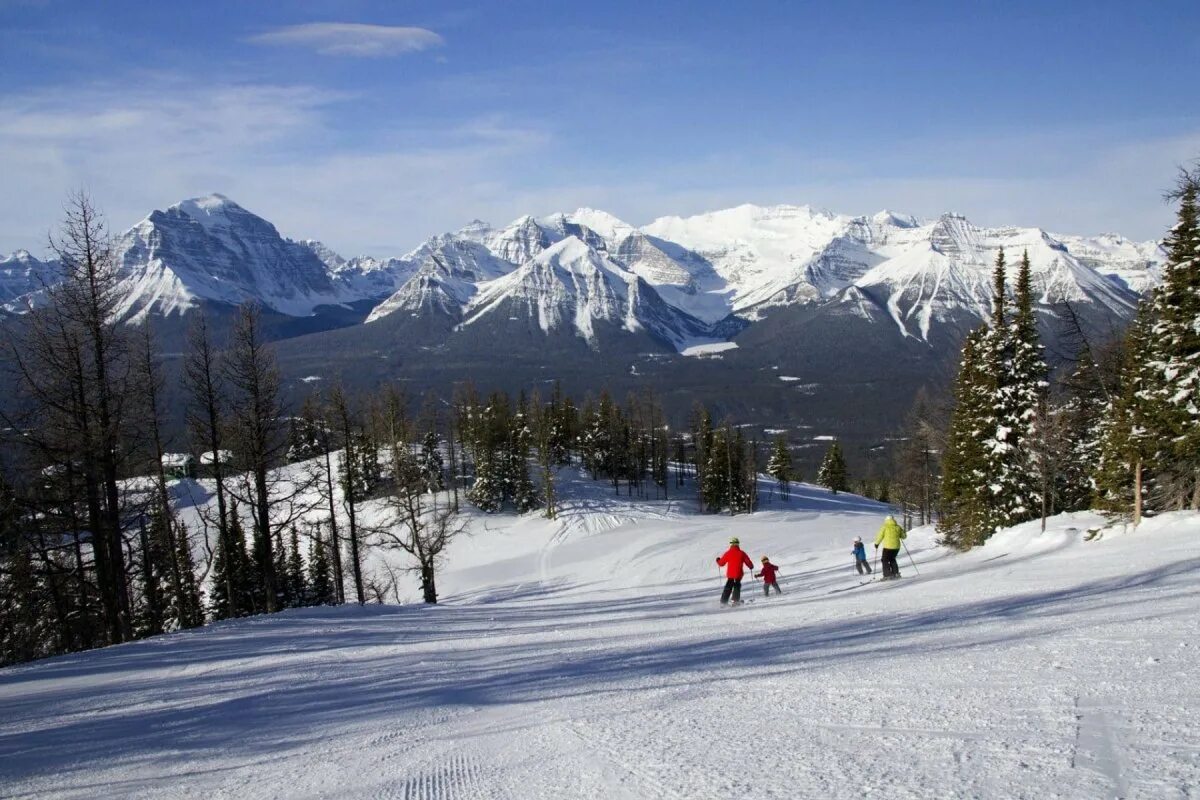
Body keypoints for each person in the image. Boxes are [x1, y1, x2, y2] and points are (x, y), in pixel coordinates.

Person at [716, 537, 754, 605]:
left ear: (730, 544)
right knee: (737, 585)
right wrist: (751, 566)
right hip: (738, 574)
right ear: (738, 544)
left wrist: (718, 560)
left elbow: (721, 563)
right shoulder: (742, 553)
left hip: (730, 574)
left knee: (728, 586)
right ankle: (735, 600)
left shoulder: (728, 553)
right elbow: (748, 562)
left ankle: (723, 601)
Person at [873, 515, 907, 580]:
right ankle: (895, 573)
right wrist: (903, 532)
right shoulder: (898, 527)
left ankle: (887, 575)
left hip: (887, 547)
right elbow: (904, 537)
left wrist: (877, 544)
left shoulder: (884, 527)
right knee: (892, 559)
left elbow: (880, 536)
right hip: (896, 547)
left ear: (886, 520)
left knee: (884, 560)